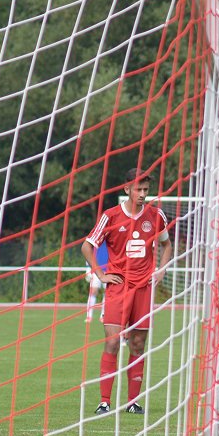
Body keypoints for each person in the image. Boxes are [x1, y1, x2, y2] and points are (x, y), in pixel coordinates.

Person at [81, 168, 173, 415]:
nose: (142, 194)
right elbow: (87, 247)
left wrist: (162, 270)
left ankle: (133, 402)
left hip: (144, 288)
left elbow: (166, 245)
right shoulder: (110, 216)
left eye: (146, 190)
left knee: (138, 344)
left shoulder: (156, 215)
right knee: (112, 342)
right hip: (118, 288)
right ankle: (104, 401)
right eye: (138, 189)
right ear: (127, 189)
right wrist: (101, 274)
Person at [85, 241, 109, 322]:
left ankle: (103, 315)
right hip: (96, 269)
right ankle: (89, 315)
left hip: (109, 269)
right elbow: (88, 251)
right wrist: (88, 269)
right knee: (93, 291)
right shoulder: (96, 238)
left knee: (107, 293)